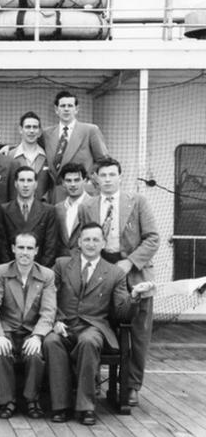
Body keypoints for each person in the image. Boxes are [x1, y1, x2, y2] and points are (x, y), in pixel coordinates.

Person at [78, 157, 158, 406]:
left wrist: (129, 262)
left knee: (137, 334)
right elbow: (84, 243)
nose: (108, 179)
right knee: (98, 328)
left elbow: (153, 238)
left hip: (134, 274)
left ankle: (131, 385)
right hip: (101, 277)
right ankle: (93, 382)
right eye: (103, 175)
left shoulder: (138, 202)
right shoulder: (87, 206)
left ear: (120, 176)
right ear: (96, 178)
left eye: (113, 175)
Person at [43, 222, 133, 425]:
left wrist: (134, 298)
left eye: (95, 240)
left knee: (89, 341)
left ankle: (86, 407)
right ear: (79, 243)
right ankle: (61, 406)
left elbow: (121, 313)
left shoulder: (115, 273)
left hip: (94, 327)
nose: (91, 244)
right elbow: (47, 296)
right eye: (87, 239)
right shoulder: (62, 265)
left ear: (103, 243)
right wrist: (55, 320)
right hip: (64, 325)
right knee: (51, 342)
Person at [0, 232, 56, 420]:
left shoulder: (46, 275)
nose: (25, 252)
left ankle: (32, 400)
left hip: (31, 330)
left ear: (36, 251)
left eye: (29, 248)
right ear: (13, 249)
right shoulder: (0, 272)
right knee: (1, 353)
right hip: (7, 330)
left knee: (35, 355)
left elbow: (48, 310)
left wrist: (38, 336)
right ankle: (7, 401)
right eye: (21, 247)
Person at [44, 91, 109, 203]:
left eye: (70, 106)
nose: (66, 109)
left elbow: (104, 160)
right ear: (56, 109)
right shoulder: (47, 133)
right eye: (63, 106)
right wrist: (8, 148)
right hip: (56, 194)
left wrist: (90, 179)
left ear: (76, 109)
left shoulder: (90, 130)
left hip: (82, 192)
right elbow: (31, 147)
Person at [1, 166, 59, 267]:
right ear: (15, 183)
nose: (26, 185)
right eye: (22, 180)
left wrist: (39, 271)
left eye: (29, 180)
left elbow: (50, 247)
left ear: (36, 184)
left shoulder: (48, 211)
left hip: (39, 270)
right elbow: (2, 246)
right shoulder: (4, 210)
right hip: (11, 270)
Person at [8, 112, 50, 201]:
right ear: (20, 129)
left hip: (42, 209)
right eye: (28, 127)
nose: (31, 131)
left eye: (35, 127)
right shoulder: (10, 155)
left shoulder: (48, 155)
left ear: (39, 131)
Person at [54, 163, 91, 256]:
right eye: (68, 181)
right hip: (62, 262)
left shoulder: (93, 205)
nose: (73, 184)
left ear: (85, 181)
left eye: (77, 180)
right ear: (63, 183)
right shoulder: (57, 208)